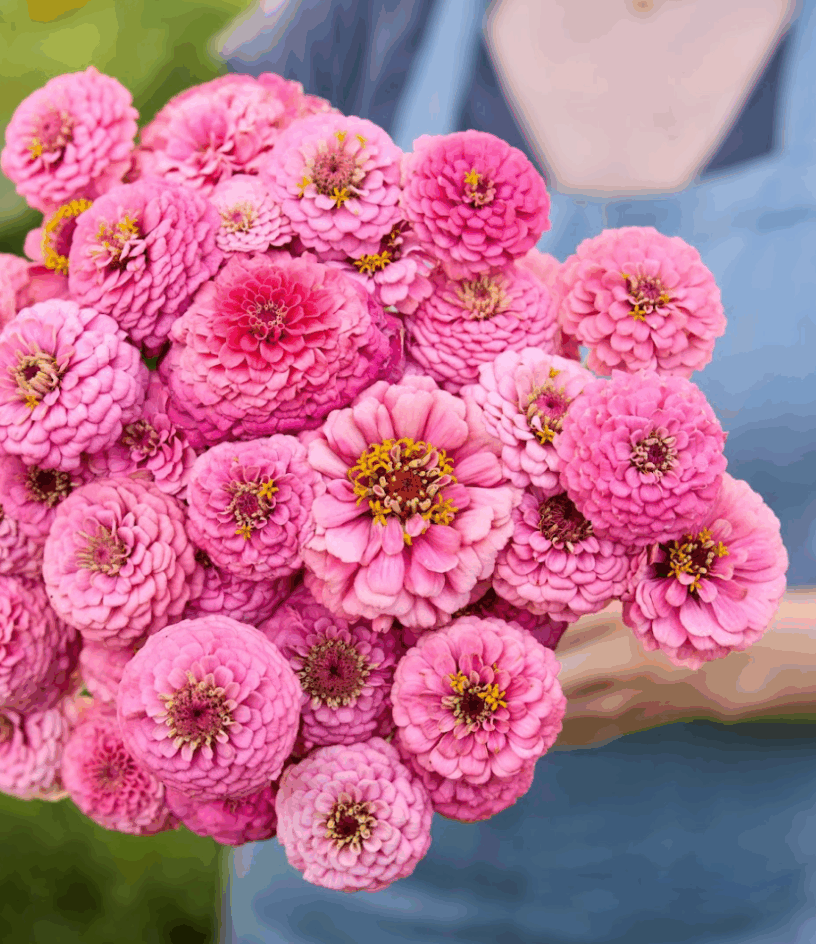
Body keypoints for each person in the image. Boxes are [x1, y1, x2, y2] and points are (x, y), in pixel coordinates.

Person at [217, 1, 816, 941]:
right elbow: (199, 365)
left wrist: (758, 656)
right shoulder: (361, 28)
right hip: (354, 897)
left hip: (745, 897)